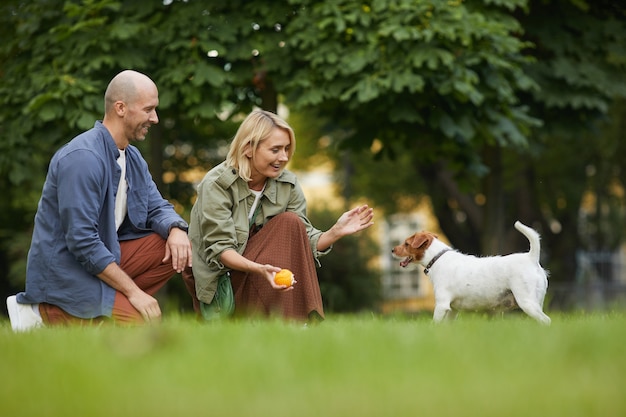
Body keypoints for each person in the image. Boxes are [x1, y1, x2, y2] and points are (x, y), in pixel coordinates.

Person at [6, 70, 192, 331]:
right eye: (148, 109)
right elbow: (82, 242)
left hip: (103, 260)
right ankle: (43, 313)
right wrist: (135, 293)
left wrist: (176, 229)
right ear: (121, 108)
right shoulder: (83, 158)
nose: (155, 118)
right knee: (139, 325)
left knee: (173, 248)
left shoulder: (133, 157)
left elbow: (156, 206)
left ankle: (100, 310)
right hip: (69, 274)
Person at [183, 109, 374, 321]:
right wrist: (261, 269)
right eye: (275, 150)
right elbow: (221, 251)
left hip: (261, 274)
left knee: (291, 223)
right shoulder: (217, 184)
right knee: (288, 224)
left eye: (286, 149)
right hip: (225, 284)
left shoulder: (287, 184)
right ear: (248, 148)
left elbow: (303, 238)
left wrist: (335, 232)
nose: (283, 157)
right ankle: (306, 320)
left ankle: (302, 322)